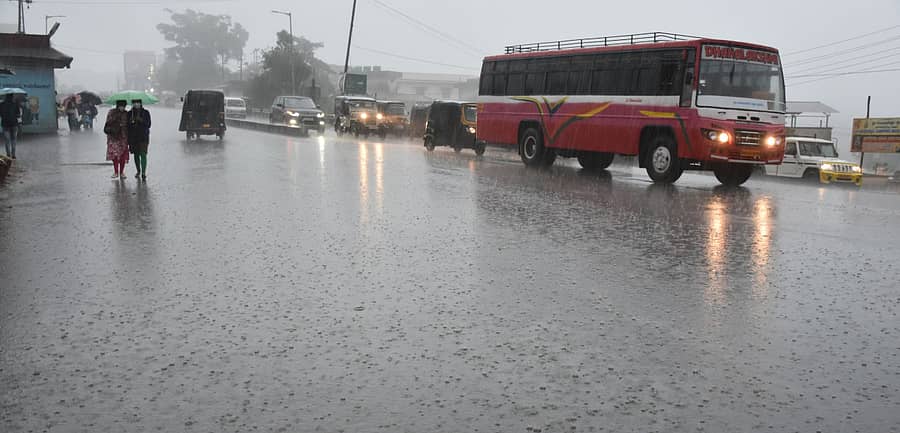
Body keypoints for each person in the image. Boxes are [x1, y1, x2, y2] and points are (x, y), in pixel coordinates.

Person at [104, 100, 129, 179]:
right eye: (120, 106)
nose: (122, 108)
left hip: (123, 137)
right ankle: (115, 172)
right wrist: (117, 121)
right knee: (114, 155)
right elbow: (108, 123)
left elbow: (129, 125)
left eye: (123, 106)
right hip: (113, 136)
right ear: (117, 105)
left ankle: (121, 172)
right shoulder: (112, 112)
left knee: (122, 155)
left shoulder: (126, 114)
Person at [127, 99, 151, 181]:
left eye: (138, 103)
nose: (136, 104)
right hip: (133, 138)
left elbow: (149, 124)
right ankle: (138, 170)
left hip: (143, 137)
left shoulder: (146, 113)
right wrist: (131, 121)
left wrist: (141, 120)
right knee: (136, 155)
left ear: (141, 103)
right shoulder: (129, 113)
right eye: (134, 103)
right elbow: (127, 126)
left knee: (143, 154)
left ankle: (143, 173)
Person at [0, 93, 21, 159]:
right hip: (14, 124)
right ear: (12, 97)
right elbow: (18, 115)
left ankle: (8, 155)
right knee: (13, 140)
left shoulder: (1, 104)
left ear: (5, 96)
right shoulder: (15, 104)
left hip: (5, 124)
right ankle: (13, 155)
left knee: (7, 140)